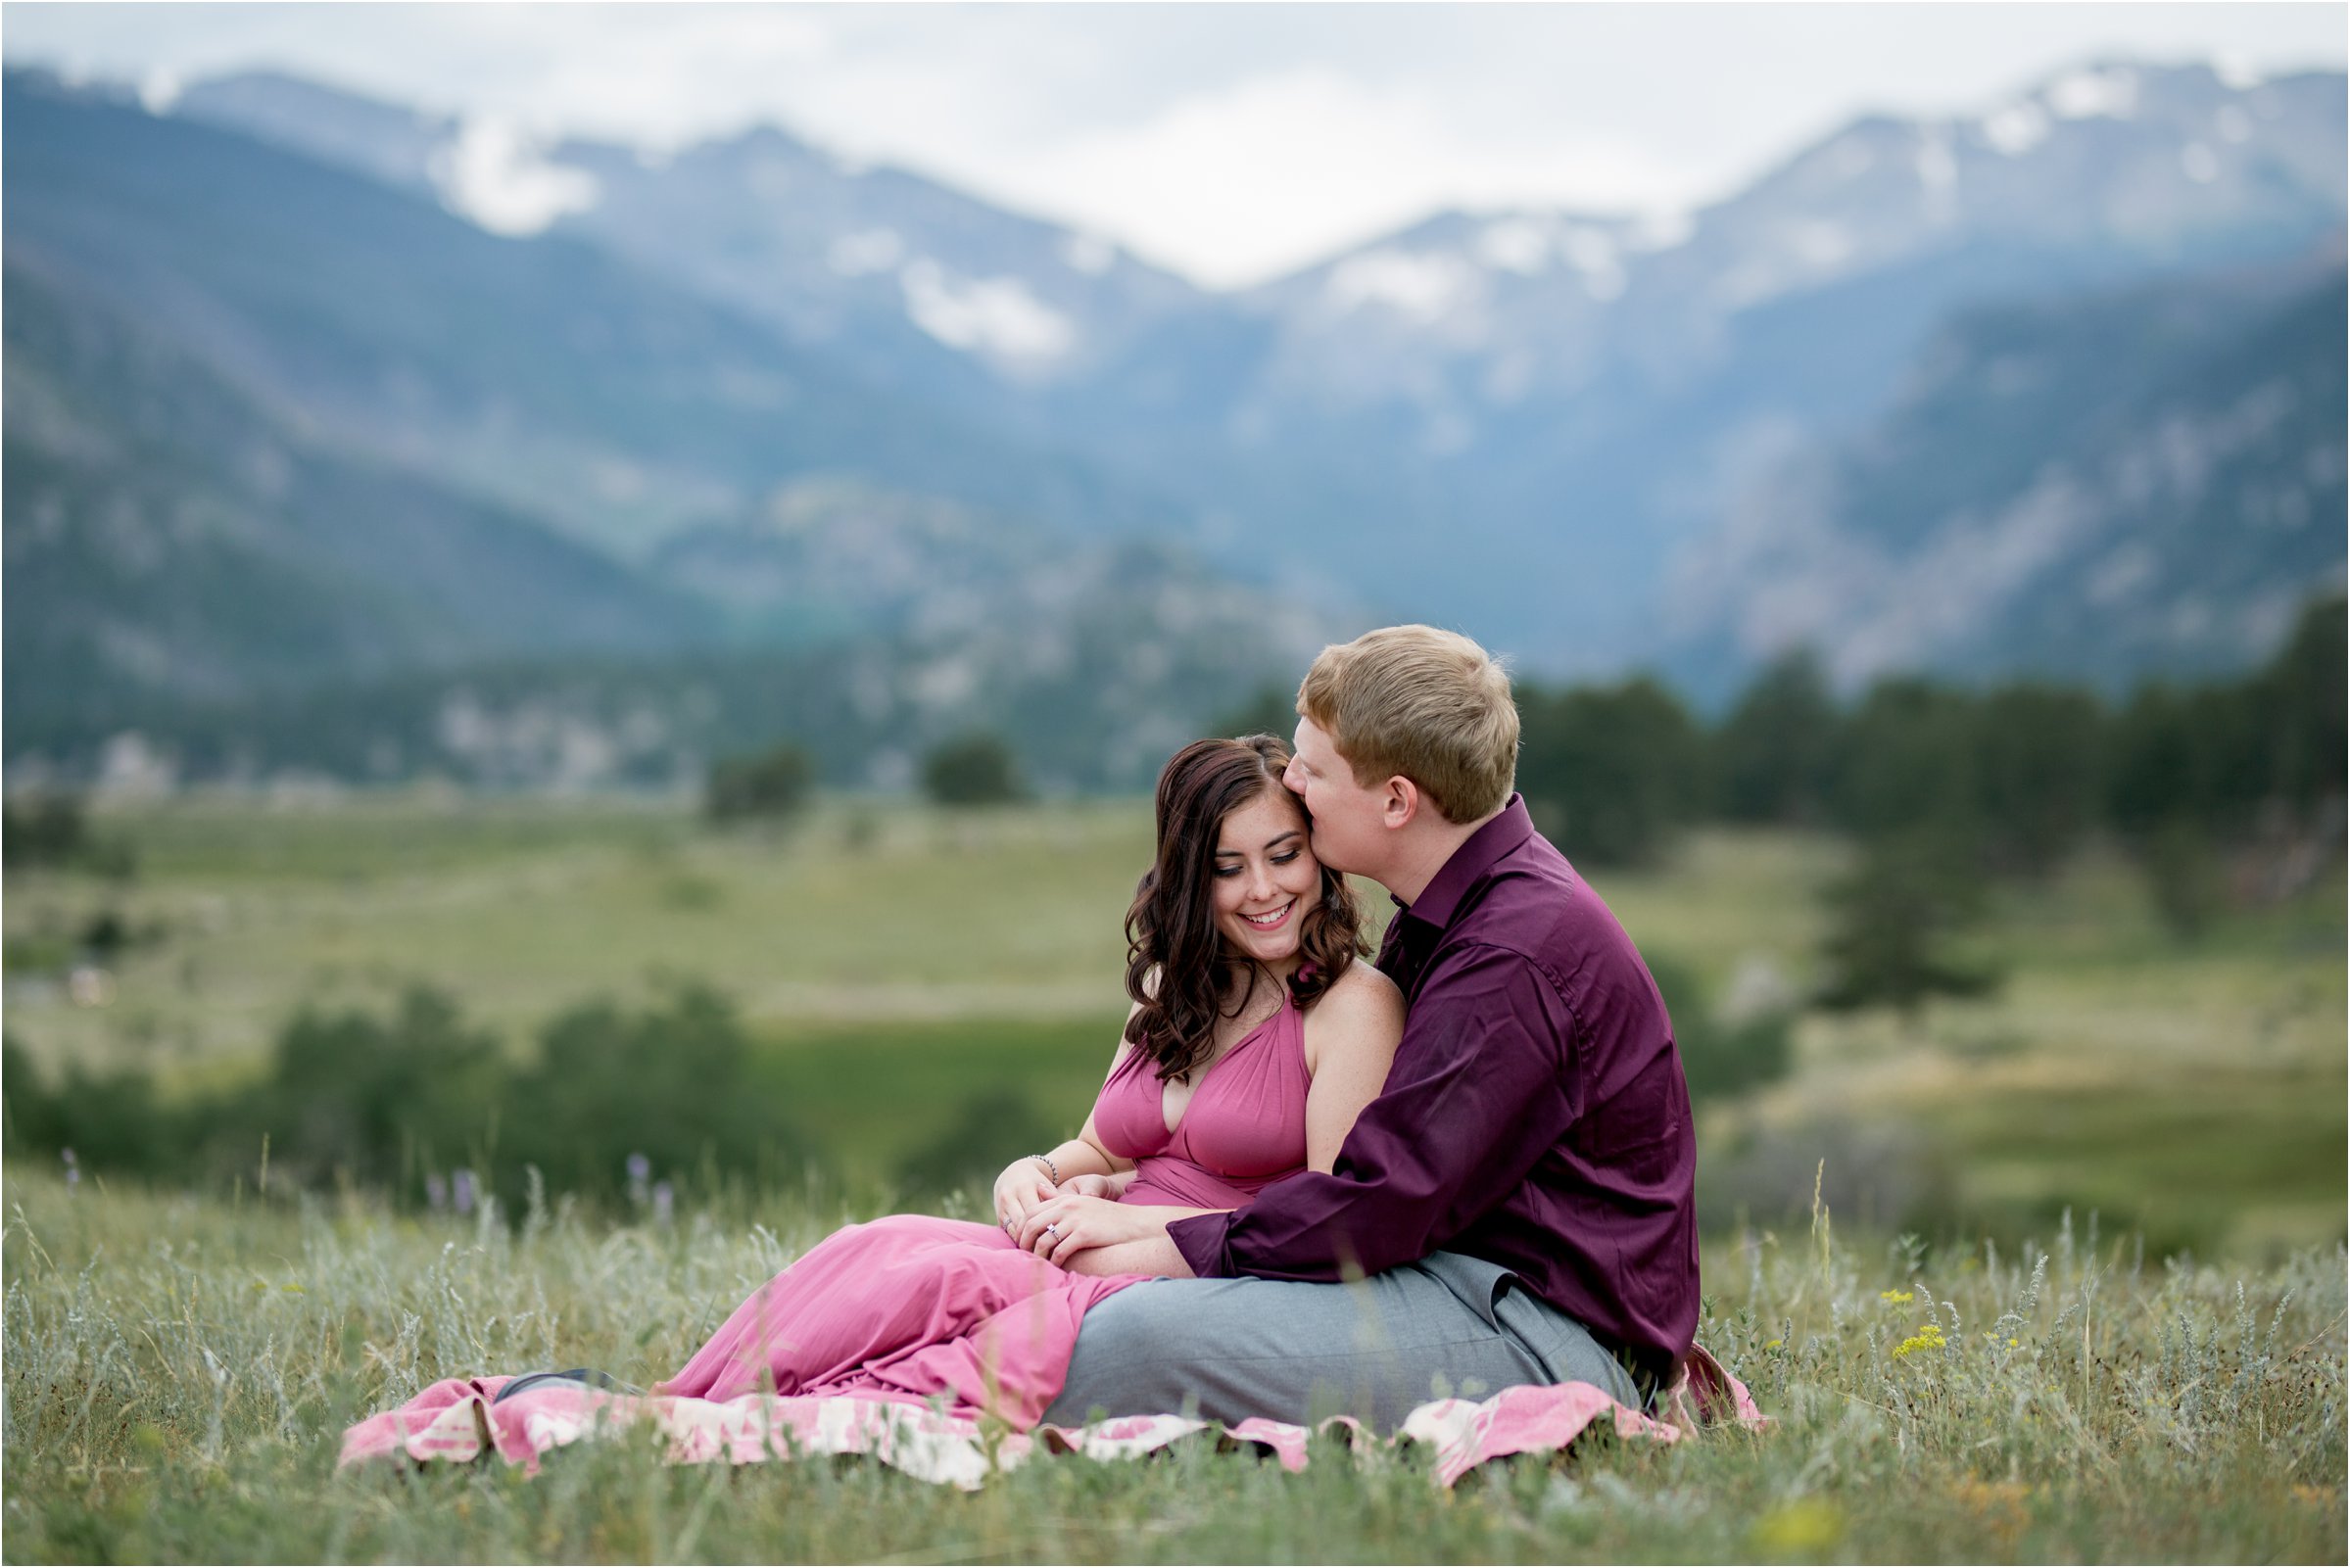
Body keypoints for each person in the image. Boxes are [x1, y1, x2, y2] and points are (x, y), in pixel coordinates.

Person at [1036, 624, 1701, 1430]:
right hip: (1455, 1278)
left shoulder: (1510, 955)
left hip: (1543, 1329)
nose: (1289, 779)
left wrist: (1150, 1232)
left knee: (1125, 1337)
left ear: (1395, 800)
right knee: (1076, 1295)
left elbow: (1373, 1209)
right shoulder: (1456, 909)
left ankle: (952, 1410)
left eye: (1311, 769)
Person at [645, 735, 1406, 1428]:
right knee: (880, 1243)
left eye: (1283, 856)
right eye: (1226, 868)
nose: (1262, 890)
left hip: (1184, 1280)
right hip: (1081, 1245)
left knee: (948, 1286)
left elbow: (1322, 1220)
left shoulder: (1351, 1008)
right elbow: (1101, 1150)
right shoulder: (1178, 986)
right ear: (1187, 877)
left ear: (1318, 855)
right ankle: (686, 1403)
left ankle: (734, 1423)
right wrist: (1035, 1171)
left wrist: (1136, 1225)